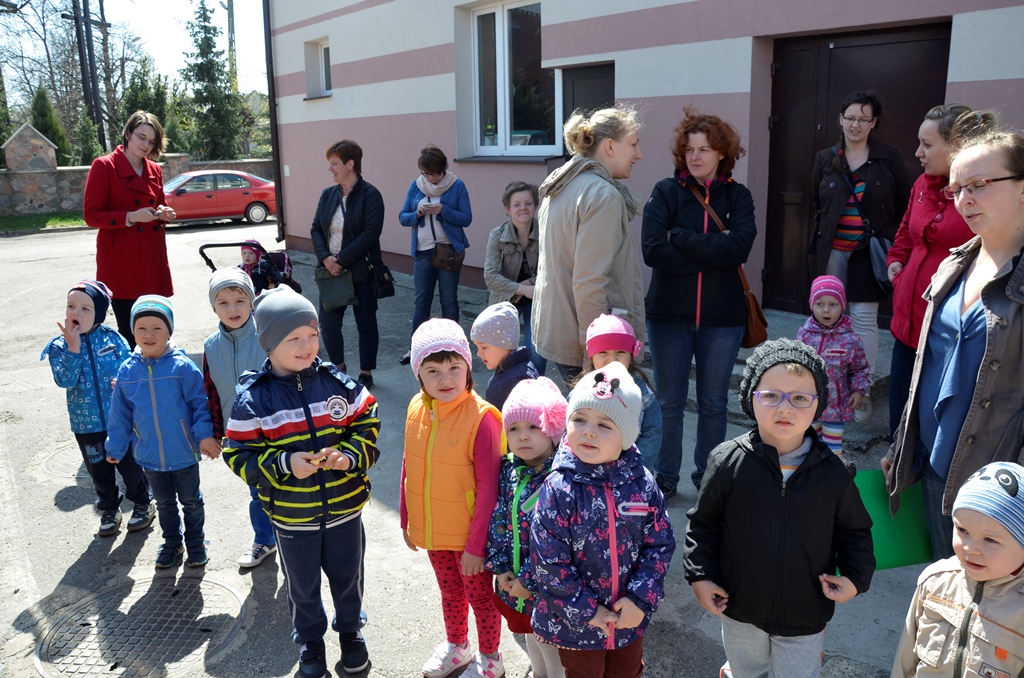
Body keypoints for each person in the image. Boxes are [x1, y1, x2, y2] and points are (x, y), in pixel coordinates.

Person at [685, 339, 875, 678]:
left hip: (805, 613)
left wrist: (854, 578)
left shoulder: (835, 474)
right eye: (772, 395)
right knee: (747, 673)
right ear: (750, 399)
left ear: (818, 405)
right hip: (739, 607)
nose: (785, 408)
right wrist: (700, 576)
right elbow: (703, 524)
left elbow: (855, 531)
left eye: (800, 398)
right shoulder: (727, 462)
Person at [222, 287, 379, 677]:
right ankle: (310, 640)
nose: (307, 345)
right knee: (302, 586)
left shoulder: (338, 385)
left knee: (348, 577)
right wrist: (284, 463)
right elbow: (237, 454)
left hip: (345, 509)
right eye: (293, 338)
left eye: (312, 334)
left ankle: (351, 631)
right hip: (293, 519)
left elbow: (368, 422)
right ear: (269, 343)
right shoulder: (253, 400)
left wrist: (349, 456)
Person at [884, 125, 1024, 561]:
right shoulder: (953, 265)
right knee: (945, 583)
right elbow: (929, 367)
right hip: (936, 466)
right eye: (956, 189)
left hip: (998, 485)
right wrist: (902, 443)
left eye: (979, 185)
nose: (964, 200)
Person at [530, 361, 675, 678]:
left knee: (627, 672)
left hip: (628, 620)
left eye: (604, 424)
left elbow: (660, 545)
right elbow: (548, 561)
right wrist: (586, 610)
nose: (588, 431)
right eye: (579, 419)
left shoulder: (642, 485)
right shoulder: (559, 487)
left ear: (626, 436)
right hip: (576, 625)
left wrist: (639, 599)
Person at [641, 106, 757, 496]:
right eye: (690, 149)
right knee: (669, 404)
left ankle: (708, 480)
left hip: (722, 320)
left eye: (704, 149)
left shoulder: (738, 196)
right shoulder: (665, 192)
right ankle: (665, 479)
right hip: (668, 318)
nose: (695, 156)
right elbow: (653, 251)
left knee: (712, 404)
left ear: (721, 153)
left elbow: (739, 248)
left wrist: (681, 238)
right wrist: (713, 251)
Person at [400, 319, 504, 678]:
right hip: (434, 530)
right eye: (433, 370)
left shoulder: (483, 419)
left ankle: (490, 658)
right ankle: (457, 646)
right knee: (450, 593)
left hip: (469, 537)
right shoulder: (417, 407)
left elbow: (489, 490)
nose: (446, 379)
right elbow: (409, 465)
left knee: (481, 598)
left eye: (454, 368)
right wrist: (407, 519)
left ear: (468, 367)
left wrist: (477, 546)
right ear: (418, 373)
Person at [885, 105, 989, 441]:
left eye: (927, 145)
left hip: (948, 330)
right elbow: (905, 231)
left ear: (957, 146)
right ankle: (896, 474)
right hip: (907, 323)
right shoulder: (921, 184)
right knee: (898, 419)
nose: (918, 153)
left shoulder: (981, 193)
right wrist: (896, 263)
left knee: (935, 427)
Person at [810, 91, 911, 422]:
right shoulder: (826, 157)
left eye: (864, 119)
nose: (856, 124)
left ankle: (860, 390)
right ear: (841, 120)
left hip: (868, 252)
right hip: (833, 252)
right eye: (850, 118)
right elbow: (817, 202)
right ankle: (827, 384)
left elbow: (903, 202)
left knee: (865, 319)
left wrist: (893, 242)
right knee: (826, 316)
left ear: (873, 123)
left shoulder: (888, 156)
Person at [531, 107, 646, 385]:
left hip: (560, 330)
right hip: (589, 344)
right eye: (633, 144)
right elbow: (589, 282)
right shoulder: (602, 195)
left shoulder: (564, 185)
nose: (639, 154)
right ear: (610, 146)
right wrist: (595, 353)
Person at [104, 296, 220, 569]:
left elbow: (200, 404)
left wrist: (205, 435)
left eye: (157, 327)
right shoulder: (127, 371)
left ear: (169, 331)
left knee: (191, 502)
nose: (149, 334)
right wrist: (115, 446)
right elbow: (120, 414)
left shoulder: (182, 367)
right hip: (149, 454)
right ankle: (171, 543)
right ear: (133, 331)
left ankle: (196, 542)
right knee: (165, 503)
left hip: (183, 451)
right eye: (141, 328)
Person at [41, 279, 154, 537]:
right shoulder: (59, 346)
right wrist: (73, 349)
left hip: (121, 420)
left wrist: (126, 385)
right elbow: (65, 381)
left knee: (130, 466)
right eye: (71, 306)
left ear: (99, 314)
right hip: (86, 424)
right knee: (99, 471)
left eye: (85, 308)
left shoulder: (113, 339)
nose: (76, 313)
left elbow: (131, 369)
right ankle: (109, 508)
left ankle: (142, 502)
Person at [891, 462, 1024, 678]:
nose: (970, 548)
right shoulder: (935, 581)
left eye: (990, 540)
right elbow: (904, 661)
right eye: (962, 530)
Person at [486, 377, 568, 678]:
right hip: (514, 584)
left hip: (546, 589)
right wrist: (500, 567)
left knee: (551, 644)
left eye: (534, 426)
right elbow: (498, 520)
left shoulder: (560, 478)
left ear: (553, 429)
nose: (523, 436)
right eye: (514, 428)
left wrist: (529, 580)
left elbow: (558, 543)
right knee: (529, 635)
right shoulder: (508, 468)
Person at [201, 268, 276, 568]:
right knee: (257, 490)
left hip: (276, 430)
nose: (232, 309)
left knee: (285, 487)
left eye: (240, 300)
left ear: (252, 302)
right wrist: (215, 433)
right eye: (223, 302)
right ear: (214, 307)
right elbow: (210, 392)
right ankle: (265, 540)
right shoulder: (210, 346)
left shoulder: (267, 335)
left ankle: (293, 538)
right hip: (240, 436)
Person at [83, 110, 176, 348]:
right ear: (128, 133)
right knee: (129, 332)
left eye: (151, 141)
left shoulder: (154, 169)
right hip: (122, 263)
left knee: (157, 329)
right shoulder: (104, 166)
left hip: (152, 258)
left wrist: (163, 213)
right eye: (141, 137)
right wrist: (131, 217)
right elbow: (91, 216)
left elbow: (157, 204)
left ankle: (157, 370)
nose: (146, 145)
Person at [310, 139, 385, 388]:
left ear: (350, 164)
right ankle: (339, 369)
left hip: (361, 271)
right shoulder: (327, 195)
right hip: (331, 272)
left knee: (366, 323)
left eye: (334, 163)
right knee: (328, 325)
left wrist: (341, 259)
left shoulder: (371, 195)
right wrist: (326, 258)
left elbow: (370, 234)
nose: (330, 168)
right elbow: (316, 228)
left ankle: (365, 372)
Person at [398, 146, 473, 365]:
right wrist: (418, 213)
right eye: (427, 173)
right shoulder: (416, 186)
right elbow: (402, 217)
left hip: (448, 251)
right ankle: (416, 349)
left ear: (444, 168)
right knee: (421, 302)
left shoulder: (457, 185)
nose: (431, 178)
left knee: (449, 301)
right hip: (423, 251)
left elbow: (466, 218)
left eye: (435, 173)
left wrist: (443, 210)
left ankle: (454, 349)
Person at [795, 276, 871, 455]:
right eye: (820, 304)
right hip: (808, 405)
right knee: (809, 445)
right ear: (812, 305)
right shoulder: (804, 335)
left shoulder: (851, 340)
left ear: (842, 306)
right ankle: (811, 472)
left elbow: (860, 369)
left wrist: (859, 391)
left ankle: (834, 471)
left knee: (832, 449)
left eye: (833, 304)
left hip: (836, 407)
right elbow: (794, 364)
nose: (826, 310)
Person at [581, 314, 662, 473]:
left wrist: (637, 469)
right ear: (591, 357)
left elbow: (653, 432)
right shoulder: (583, 390)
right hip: (587, 469)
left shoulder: (643, 394)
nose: (612, 359)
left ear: (631, 357)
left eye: (620, 352)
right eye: (603, 352)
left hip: (631, 472)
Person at [483, 181, 546, 374]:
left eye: (528, 203)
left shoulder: (546, 232)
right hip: (505, 300)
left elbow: (554, 269)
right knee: (502, 353)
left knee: (536, 350)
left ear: (536, 206)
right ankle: (503, 388)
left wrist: (530, 282)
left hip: (536, 299)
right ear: (507, 210)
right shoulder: (497, 235)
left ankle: (537, 388)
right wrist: (522, 289)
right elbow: (490, 276)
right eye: (516, 204)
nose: (523, 208)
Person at [470, 301, 538, 410]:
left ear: (505, 344)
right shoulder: (510, 369)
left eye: (484, 347)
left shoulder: (518, 381)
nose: (478, 353)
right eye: (477, 347)